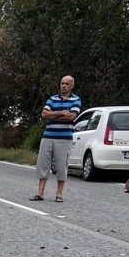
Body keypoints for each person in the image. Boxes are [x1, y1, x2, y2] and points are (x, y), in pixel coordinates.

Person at [29, 75, 80, 203]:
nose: (63, 86)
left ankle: (59, 194)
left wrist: (54, 115)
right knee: (43, 164)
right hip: (48, 136)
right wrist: (61, 112)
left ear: (72, 86)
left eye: (66, 84)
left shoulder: (76, 100)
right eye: (62, 83)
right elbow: (44, 114)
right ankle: (40, 193)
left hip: (64, 138)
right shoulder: (52, 99)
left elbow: (71, 117)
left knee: (61, 165)